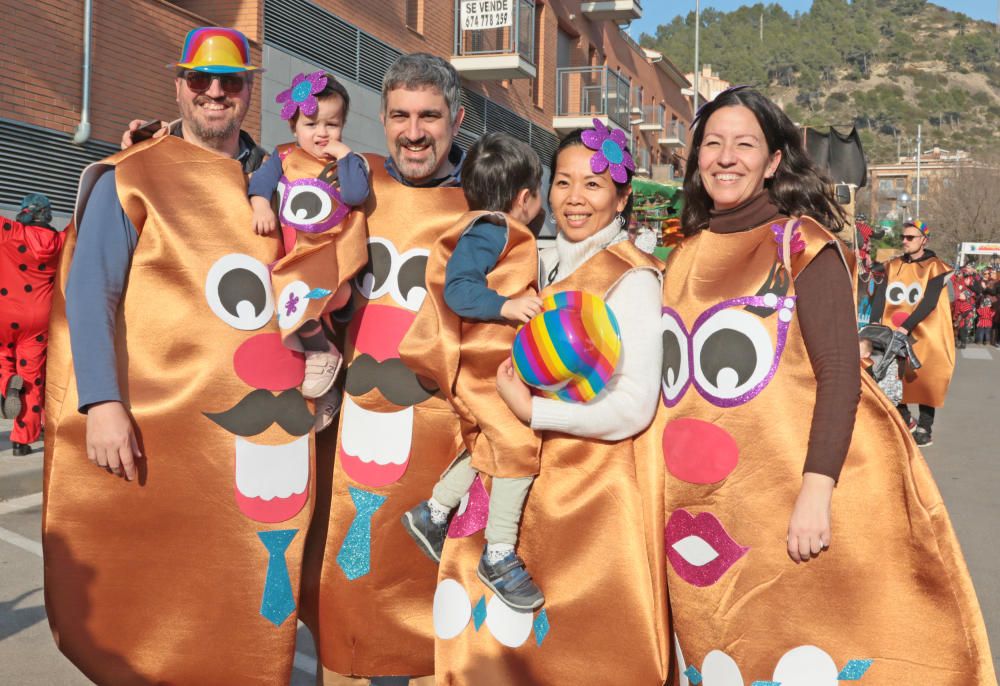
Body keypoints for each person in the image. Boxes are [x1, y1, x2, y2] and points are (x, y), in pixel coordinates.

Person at [651, 86, 994, 684]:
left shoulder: (802, 245)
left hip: (784, 495)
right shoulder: (681, 255)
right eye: (712, 143)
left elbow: (840, 376)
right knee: (720, 656)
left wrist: (816, 492)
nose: (726, 158)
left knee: (805, 652)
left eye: (744, 144)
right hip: (702, 508)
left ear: (773, 161)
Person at [44, 28, 317, 684]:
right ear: (179, 85)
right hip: (158, 431)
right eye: (201, 80)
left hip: (255, 441)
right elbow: (91, 291)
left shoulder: (277, 180)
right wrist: (103, 402)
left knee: (245, 595)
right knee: (151, 599)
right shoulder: (135, 174)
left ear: (250, 91)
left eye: (231, 82)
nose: (215, 93)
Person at [430, 121, 668, 684]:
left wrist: (534, 413)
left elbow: (635, 405)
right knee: (487, 657)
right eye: (563, 183)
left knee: (571, 652)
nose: (575, 199)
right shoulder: (528, 255)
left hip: (585, 494)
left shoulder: (634, 278)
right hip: (507, 484)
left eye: (593, 184)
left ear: (623, 195)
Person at [299, 53, 470, 686]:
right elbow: (252, 192)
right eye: (400, 115)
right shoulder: (352, 182)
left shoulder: (487, 196)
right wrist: (172, 141)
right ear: (382, 118)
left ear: (458, 117)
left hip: (438, 449)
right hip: (342, 440)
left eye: (430, 115)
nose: (415, 131)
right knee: (339, 610)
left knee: (422, 622)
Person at [398, 132, 545, 612]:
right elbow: (459, 291)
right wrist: (507, 305)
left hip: (486, 366)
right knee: (520, 444)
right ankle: (499, 554)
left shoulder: (491, 228)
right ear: (524, 198)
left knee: (487, 442)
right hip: (484, 366)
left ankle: (435, 511)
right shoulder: (493, 229)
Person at [248, 70, 369, 427]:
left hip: (333, 266)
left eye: (332, 124)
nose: (321, 133)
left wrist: (345, 157)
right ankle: (326, 382)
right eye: (311, 124)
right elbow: (260, 183)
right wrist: (260, 206)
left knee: (300, 298)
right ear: (293, 127)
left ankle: (323, 352)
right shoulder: (283, 158)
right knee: (287, 296)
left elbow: (355, 195)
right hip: (294, 263)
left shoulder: (347, 165)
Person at [878, 220, 955, 447]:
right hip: (893, 331)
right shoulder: (892, 266)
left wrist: (906, 326)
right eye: (903, 237)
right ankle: (905, 418)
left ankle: (924, 426)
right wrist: (874, 326)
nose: (904, 241)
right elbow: (881, 297)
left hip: (925, 331)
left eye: (910, 237)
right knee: (891, 377)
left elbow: (929, 302)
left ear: (924, 240)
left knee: (925, 378)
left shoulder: (936, 267)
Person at [0, 194, 66, 455]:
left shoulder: (9, 232)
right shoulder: (61, 241)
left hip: (5, 313)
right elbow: (81, 226)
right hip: (38, 319)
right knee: (33, 377)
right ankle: (22, 440)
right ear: (47, 215)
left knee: (4, 360)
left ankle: (6, 384)